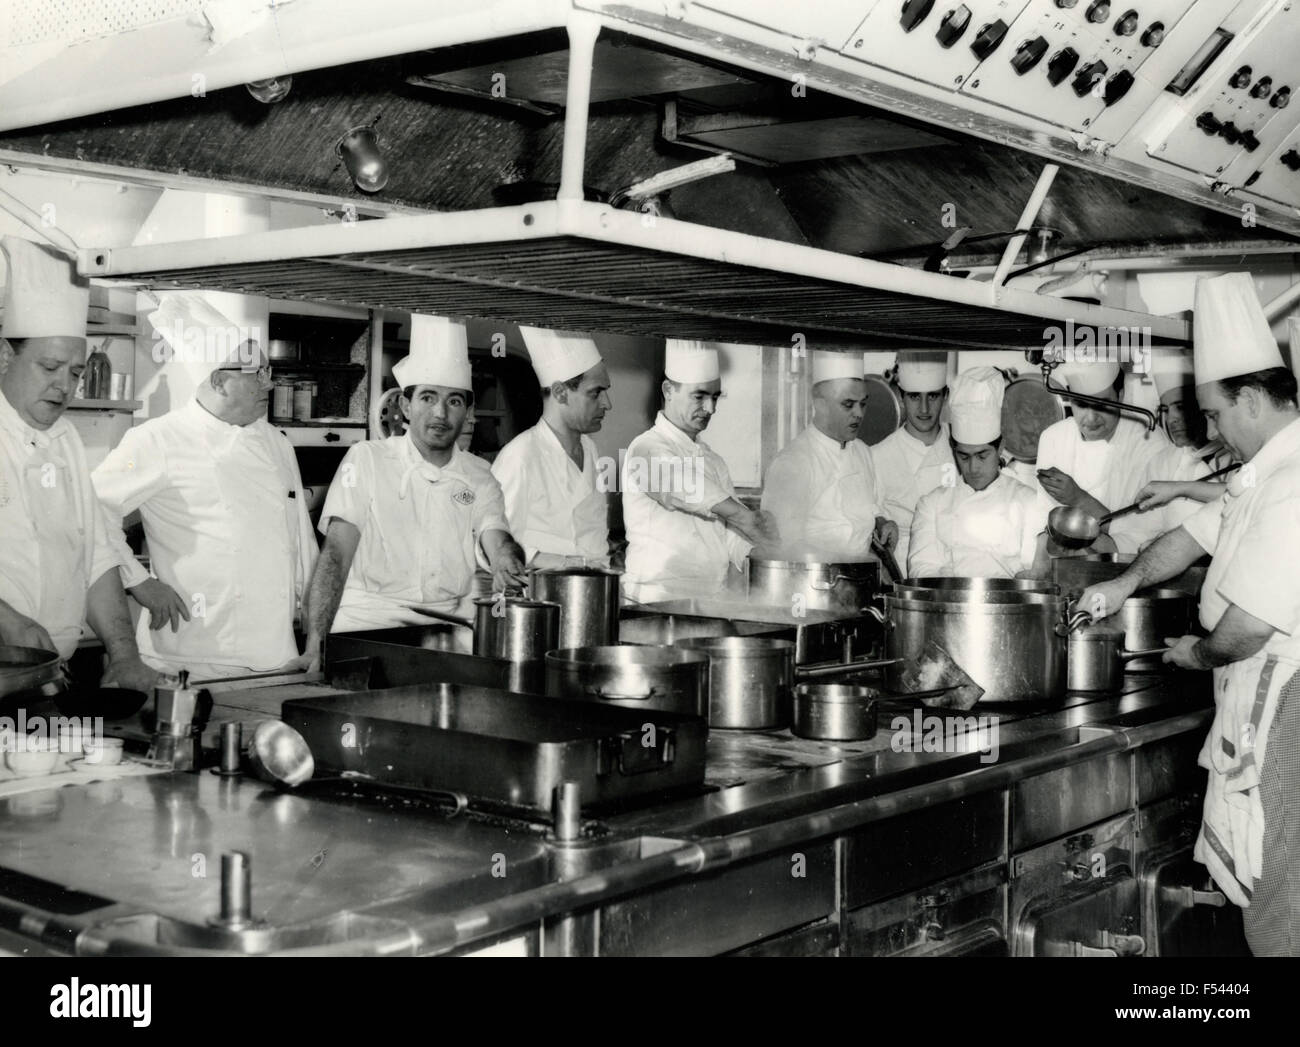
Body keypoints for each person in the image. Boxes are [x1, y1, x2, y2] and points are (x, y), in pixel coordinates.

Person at [1077, 272, 1300, 956]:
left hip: (1286, 702)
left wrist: (1193, 653)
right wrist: (1122, 583)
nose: (1210, 429)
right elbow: (1192, 535)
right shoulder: (1260, 470)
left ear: (1255, 398)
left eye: (1216, 412)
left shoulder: (1293, 484)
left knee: (1280, 901)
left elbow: (1248, 628)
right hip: (1259, 694)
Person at [92, 339, 317, 681]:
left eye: (267, 371)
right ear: (217, 380)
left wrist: (315, 634)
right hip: (191, 652)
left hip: (275, 651)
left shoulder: (276, 442)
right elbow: (91, 511)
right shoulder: (158, 438)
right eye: (256, 374)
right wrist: (138, 582)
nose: (268, 383)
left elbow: (301, 541)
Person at [301, 314, 526, 654]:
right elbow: (336, 553)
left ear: (467, 411)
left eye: (454, 401)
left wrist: (507, 559)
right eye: (427, 398)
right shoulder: (367, 459)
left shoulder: (480, 474)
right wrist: (316, 642)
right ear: (405, 406)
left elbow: (496, 535)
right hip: (367, 624)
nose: (440, 414)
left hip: (447, 630)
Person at [0, 236, 155, 690]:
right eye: (49, 367)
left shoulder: (66, 438)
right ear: (5, 356)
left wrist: (124, 654)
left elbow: (96, 556)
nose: (63, 387)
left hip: (48, 676)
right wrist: (7, 620)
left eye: (74, 373)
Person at [621, 339, 776, 603]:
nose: (711, 409)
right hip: (655, 600)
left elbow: (729, 534)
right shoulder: (645, 448)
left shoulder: (714, 461)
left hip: (710, 598)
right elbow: (686, 488)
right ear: (668, 390)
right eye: (699, 396)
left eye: (715, 397)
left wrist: (766, 552)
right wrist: (745, 516)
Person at [491, 326, 615, 569]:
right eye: (595, 393)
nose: (607, 404)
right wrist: (569, 564)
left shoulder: (589, 449)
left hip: (589, 591)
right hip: (537, 598)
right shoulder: (521, 455)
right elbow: (494, 544)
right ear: (560, 393)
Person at [761, 349, 896, 558]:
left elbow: (871, 507)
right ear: (820, 405)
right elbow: (783, 544)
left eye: (863, 403)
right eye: (848, 404)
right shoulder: (793, 462)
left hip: (860, 579)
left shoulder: (863, 452)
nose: (859, 414)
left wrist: (882, 522)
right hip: (812, 582)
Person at [908, 367, 1039, 577]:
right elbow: (922, 571)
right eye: (964, 456)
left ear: (1001, 447)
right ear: (953, 448)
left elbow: (1033, 572)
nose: (972, 468)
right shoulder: (931, 504)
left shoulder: (1028, 502)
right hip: (948, 604)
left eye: (982, 456)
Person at [1033, 358, 1172, 555]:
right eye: (1081, 404)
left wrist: (1079, 499)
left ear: (1121, 395)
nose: (1091, 418)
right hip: (1064, 565)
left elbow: (1143, 535)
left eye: (1102, 405)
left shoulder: (1148, 440)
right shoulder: (1053, 437)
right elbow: (1043, 520)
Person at [869, 351, 955, 570]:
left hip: (958, 564)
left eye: (933, 396)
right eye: (915, 396)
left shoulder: (961, 447)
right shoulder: (879, 455)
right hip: (900, 572)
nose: (924, 408)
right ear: (901, 395)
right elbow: (867, 511)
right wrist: (879, 522)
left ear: (945, 395)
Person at [1132, 351, 1233, 531]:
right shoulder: (1162, 461)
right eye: (1165, 410)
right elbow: (1140, 526)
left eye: (1181, 407)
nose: (1172, 419)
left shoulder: (1234, 456)